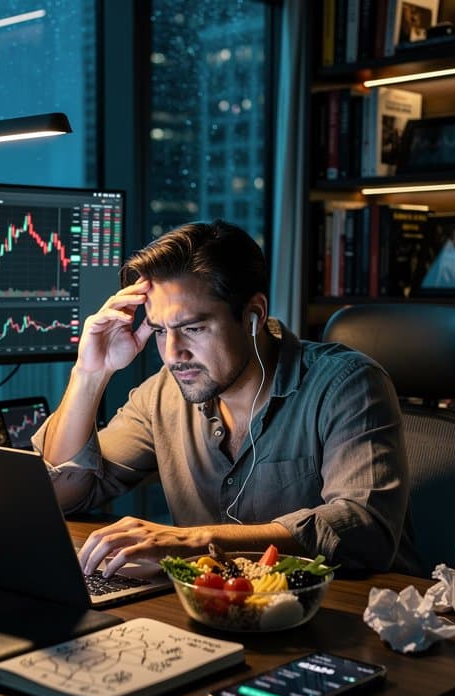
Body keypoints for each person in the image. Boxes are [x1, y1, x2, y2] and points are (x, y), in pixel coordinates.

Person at [32, 220, 420, 578]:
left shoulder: (347, 385)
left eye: (193, 328)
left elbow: (364, 531)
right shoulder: (165, 391)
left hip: (350, 619)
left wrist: (193, 542)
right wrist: (90, 374)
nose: (173, 354)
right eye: (160, 332)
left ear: (253, 315)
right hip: (220, 610)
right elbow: (61, 498)